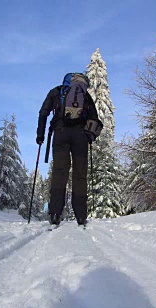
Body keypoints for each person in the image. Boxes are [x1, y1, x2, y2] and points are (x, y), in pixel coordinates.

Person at [37, 73, 102, 226]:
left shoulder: (57, 91)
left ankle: (54, 213)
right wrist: (90, 136)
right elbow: (94, 117)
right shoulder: (85, 95)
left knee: (60, 172)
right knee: (80, 174)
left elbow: (43, 112)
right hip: (80, 136)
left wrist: (40, 135)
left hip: (60, 134)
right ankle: (80, 215)